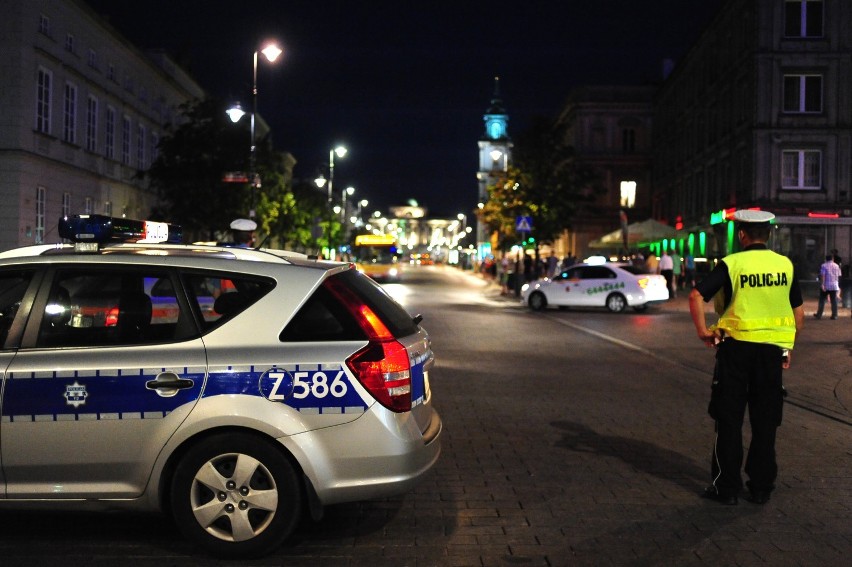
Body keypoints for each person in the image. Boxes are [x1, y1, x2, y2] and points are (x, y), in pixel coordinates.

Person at [688, 209, 804, 506]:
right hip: (770, 353)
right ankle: (761, 487)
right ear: (768, 234)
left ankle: (726, 488)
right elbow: (798, 313)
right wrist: (786, 348)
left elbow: (695, 296)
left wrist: (704, 331)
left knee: (728, 419)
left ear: (742, 235)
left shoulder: (733, 263)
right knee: (766, 422)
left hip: (735, 351)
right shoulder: (785, 265)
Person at [814, 253, 841, 320]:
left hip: (826, 285)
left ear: (826, 259)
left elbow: (823, 275)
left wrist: (822, 284)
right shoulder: (836, 266)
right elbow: (838, 275)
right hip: (834, 285)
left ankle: (819, 315)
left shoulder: (824, 265)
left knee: (822, 300)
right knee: (834, 301)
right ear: (832, 259)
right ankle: (834, 315)